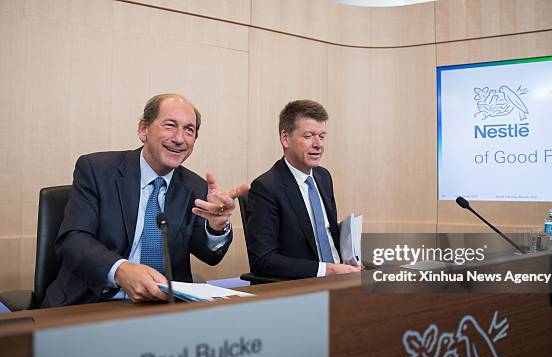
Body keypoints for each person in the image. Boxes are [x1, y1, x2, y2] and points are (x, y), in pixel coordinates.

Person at [43, 94, 249, 307]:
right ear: (143, 129)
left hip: (164, 307)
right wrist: (121, 271)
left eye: (189, 130)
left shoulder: (195, 187)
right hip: (93, 303)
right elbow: (73, 240)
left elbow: (209, 256)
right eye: (170, 125)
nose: (179, 138)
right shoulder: (97, 170)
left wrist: (216, 227)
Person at [246, 99, 361, 278]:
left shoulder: (323, 177)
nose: (318, 144)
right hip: (305, 284)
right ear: (285, 138)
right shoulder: (266, 188)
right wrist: (328, 269)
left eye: (321, 136)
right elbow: (263, 260)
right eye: (308, 136)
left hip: (342, 274)